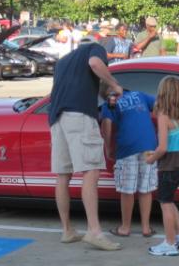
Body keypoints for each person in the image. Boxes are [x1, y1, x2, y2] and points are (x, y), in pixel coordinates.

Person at [48, 37, 124, 251]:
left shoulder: (63, 61)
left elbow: (82, 83)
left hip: (56, 119)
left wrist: (104, 90)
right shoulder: (95, 48)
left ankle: (67, 230)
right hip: (79, 116)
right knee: (91, 171)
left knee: (63, 175)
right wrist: (115, 84)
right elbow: (95, 64)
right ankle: (94, 231)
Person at [100, 82, 158, 238]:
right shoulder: (139, 94)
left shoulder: (109, 103)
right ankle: (146, 228)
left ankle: (125, 228)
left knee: (127, 190)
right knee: (145, 188)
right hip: (149, 145)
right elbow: (159, 106)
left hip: (127, 147)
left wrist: (107, 147)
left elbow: (106, 124)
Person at [145, 76, 179, 256]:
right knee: (169, 200)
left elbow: (163, 147)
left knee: (164, 203)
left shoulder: (163, 115)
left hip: (169, 164)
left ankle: (169, 243)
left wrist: (151, 158)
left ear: (162, 93)